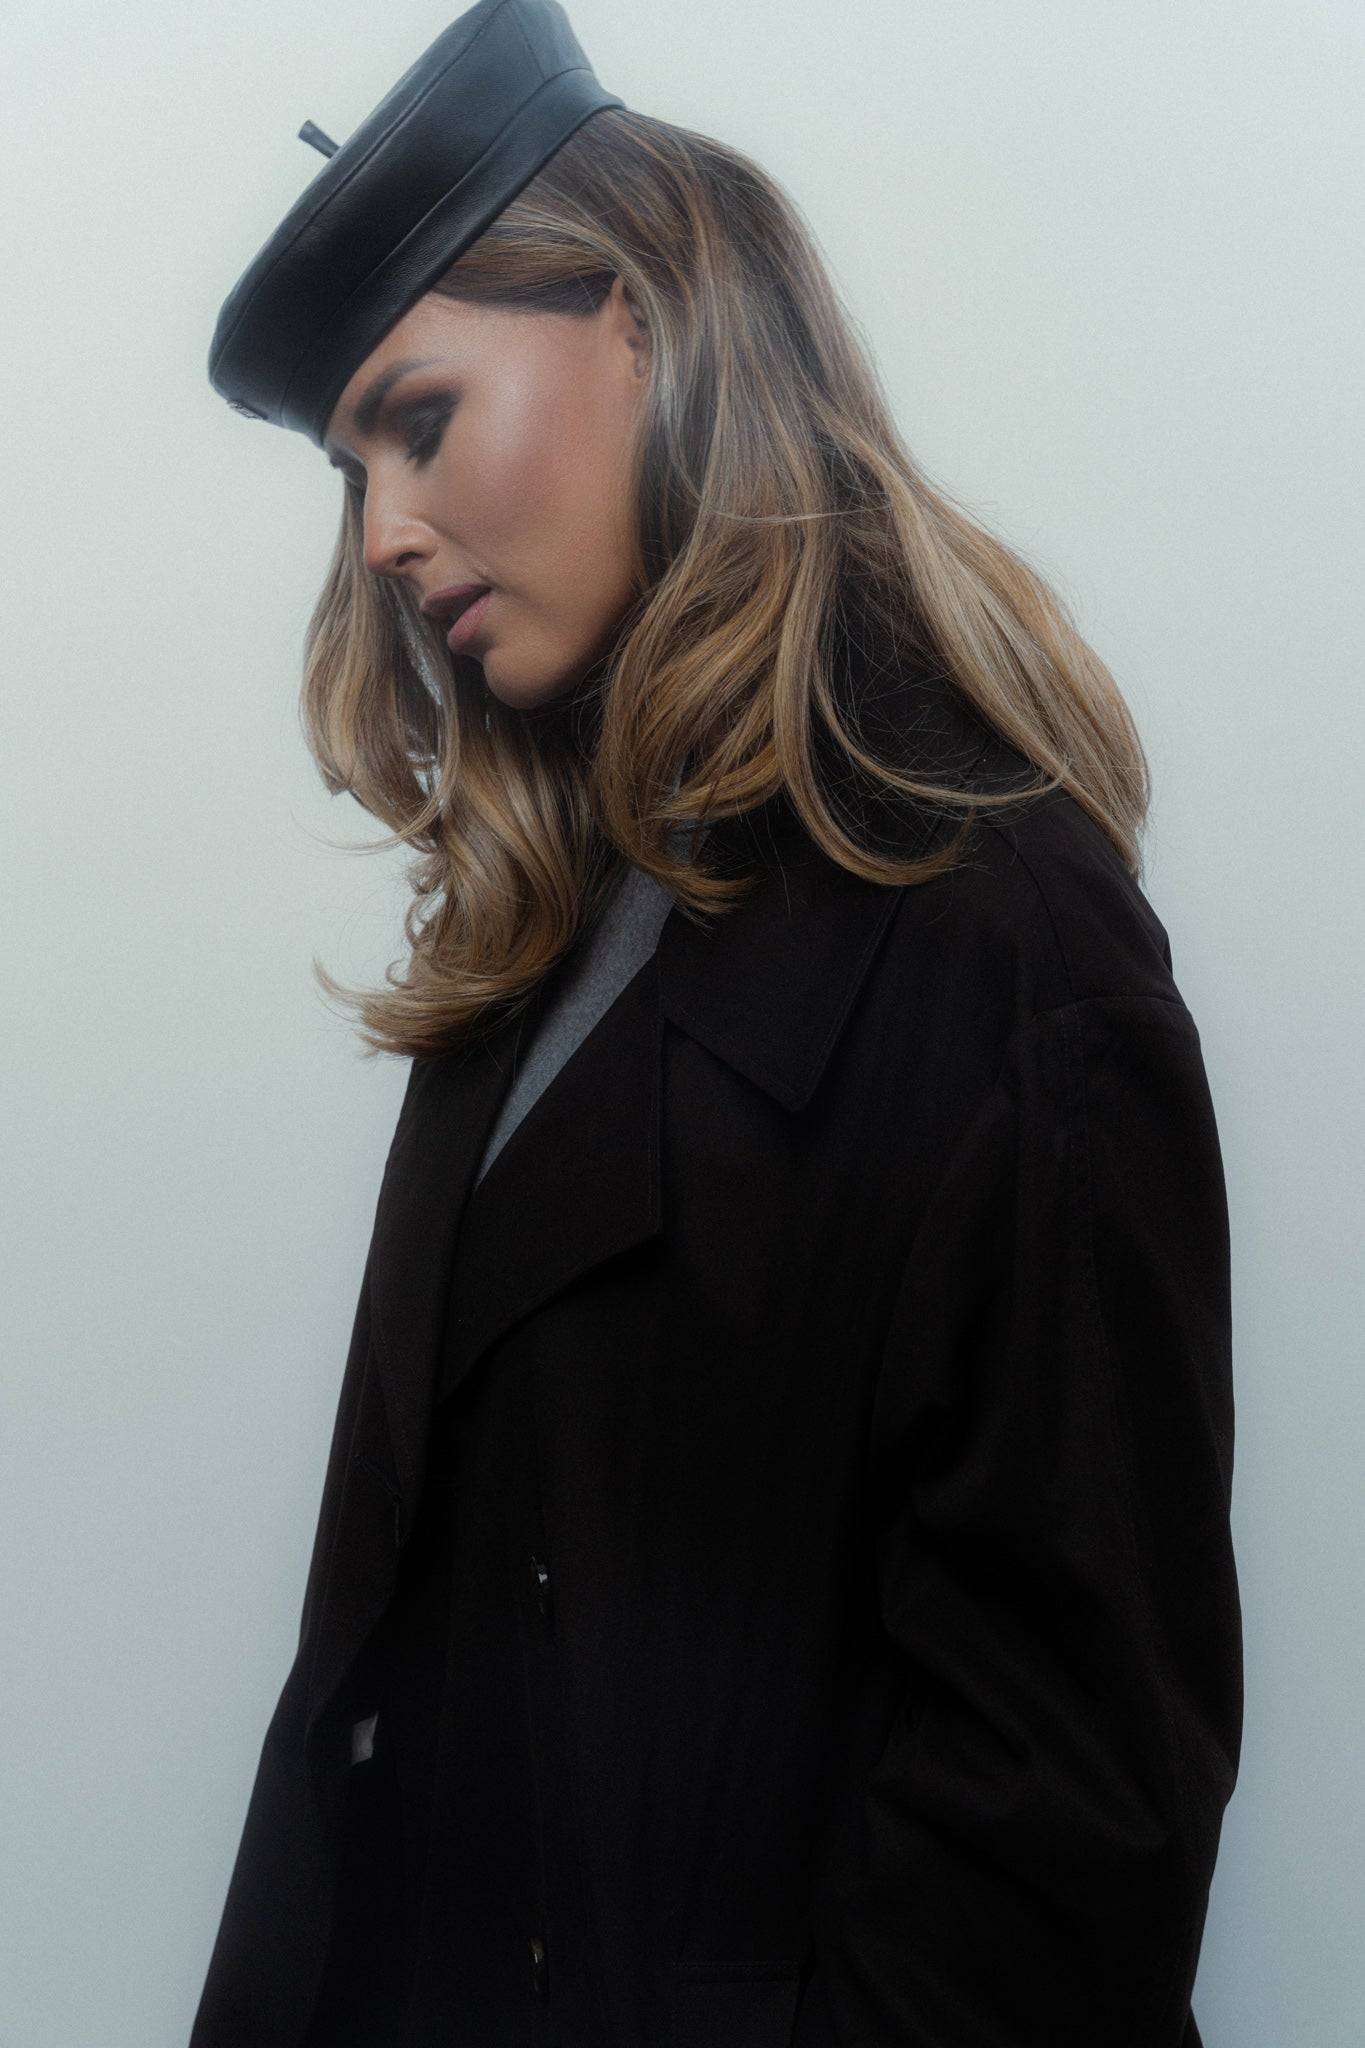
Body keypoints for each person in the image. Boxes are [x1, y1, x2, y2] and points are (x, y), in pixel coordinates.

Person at [189, 5, 1243, 2045]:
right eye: (350, 472)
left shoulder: (1006, 949)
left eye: (419, 418)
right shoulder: (550, 923)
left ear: (645, 319)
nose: (380, 532)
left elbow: (1060, 1844)